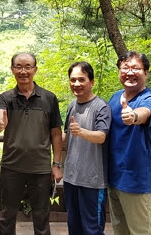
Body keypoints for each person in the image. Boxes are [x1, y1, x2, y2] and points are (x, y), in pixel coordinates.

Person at [0, 52, 63, 235]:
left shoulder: (49, 98)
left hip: (40, 169)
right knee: (7, 215)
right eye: (18, 67)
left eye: (27, 67)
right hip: (11, 167)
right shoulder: (5, 98)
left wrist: (56, 164)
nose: (23, 71)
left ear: (35, 69)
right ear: (12, 70)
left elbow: (56, 133)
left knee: (41, 217)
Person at [107, 51, 151, 235]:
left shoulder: (150, 99)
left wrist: (134, 116)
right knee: (120, 230)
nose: (129, 72)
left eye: (136, 68)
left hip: (139, 182)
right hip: (115, 179)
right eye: (125, 68)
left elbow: (146, 112)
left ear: (146, 73)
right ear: (119, 71)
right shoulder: (115, 98)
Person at [62, 62, 111, 235]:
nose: (76, 84)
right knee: (74, 227)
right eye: (73, 80)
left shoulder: (101, 107)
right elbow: (66, 139)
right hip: (70, 178)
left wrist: (81, 132)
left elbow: (101, 136)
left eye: (81, 79)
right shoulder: (71, 106)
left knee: (92, 230)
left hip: (92, 181)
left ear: (91, 82)